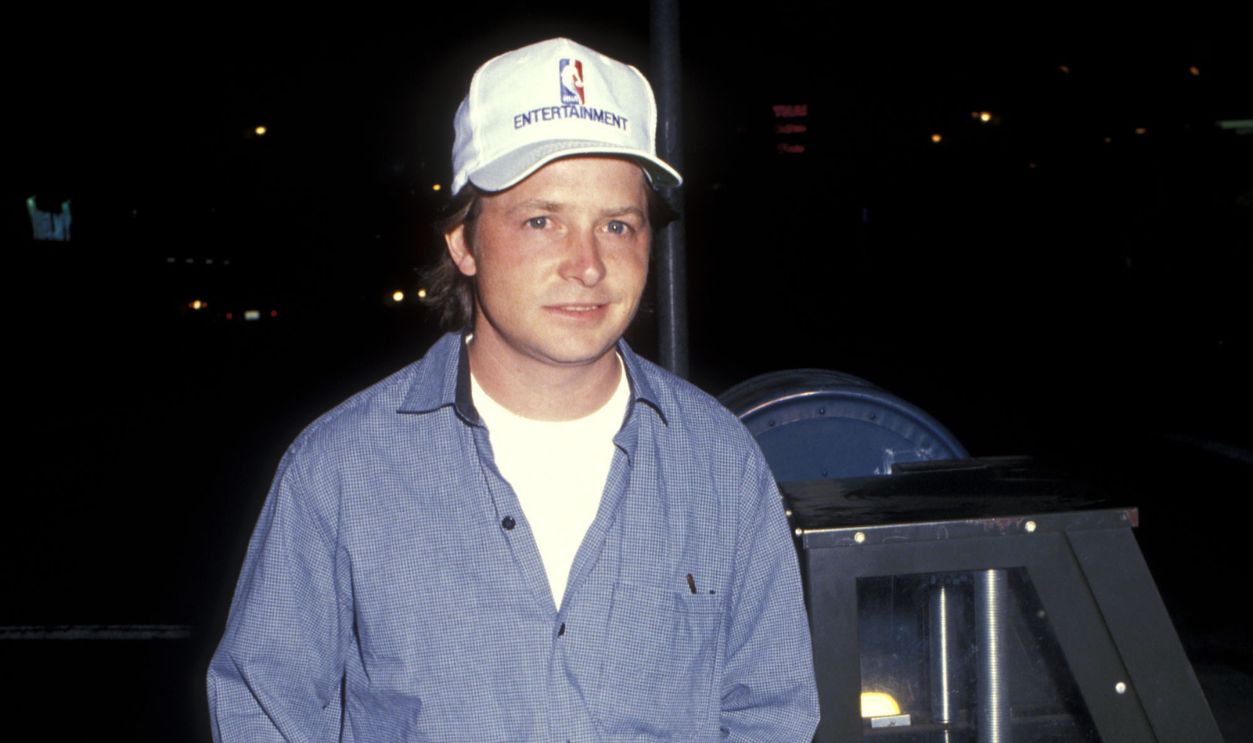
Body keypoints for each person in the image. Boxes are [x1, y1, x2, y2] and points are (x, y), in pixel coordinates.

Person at [207, 37, 819, 742]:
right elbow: (266, 711)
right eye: (541, 220)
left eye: (617, 225)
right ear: (463, 243)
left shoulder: (719, 461)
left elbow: (769, 712)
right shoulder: (340, 468)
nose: (586, 264)